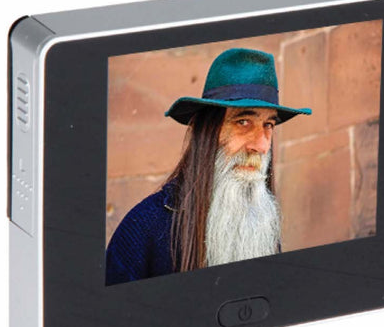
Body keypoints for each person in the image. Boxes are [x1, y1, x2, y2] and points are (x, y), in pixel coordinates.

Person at [105, 48, 311, 285]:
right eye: (243, 122)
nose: (262, 145)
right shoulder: (144, 228)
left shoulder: (261, 221)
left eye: (268, 125)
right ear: (207, 132)